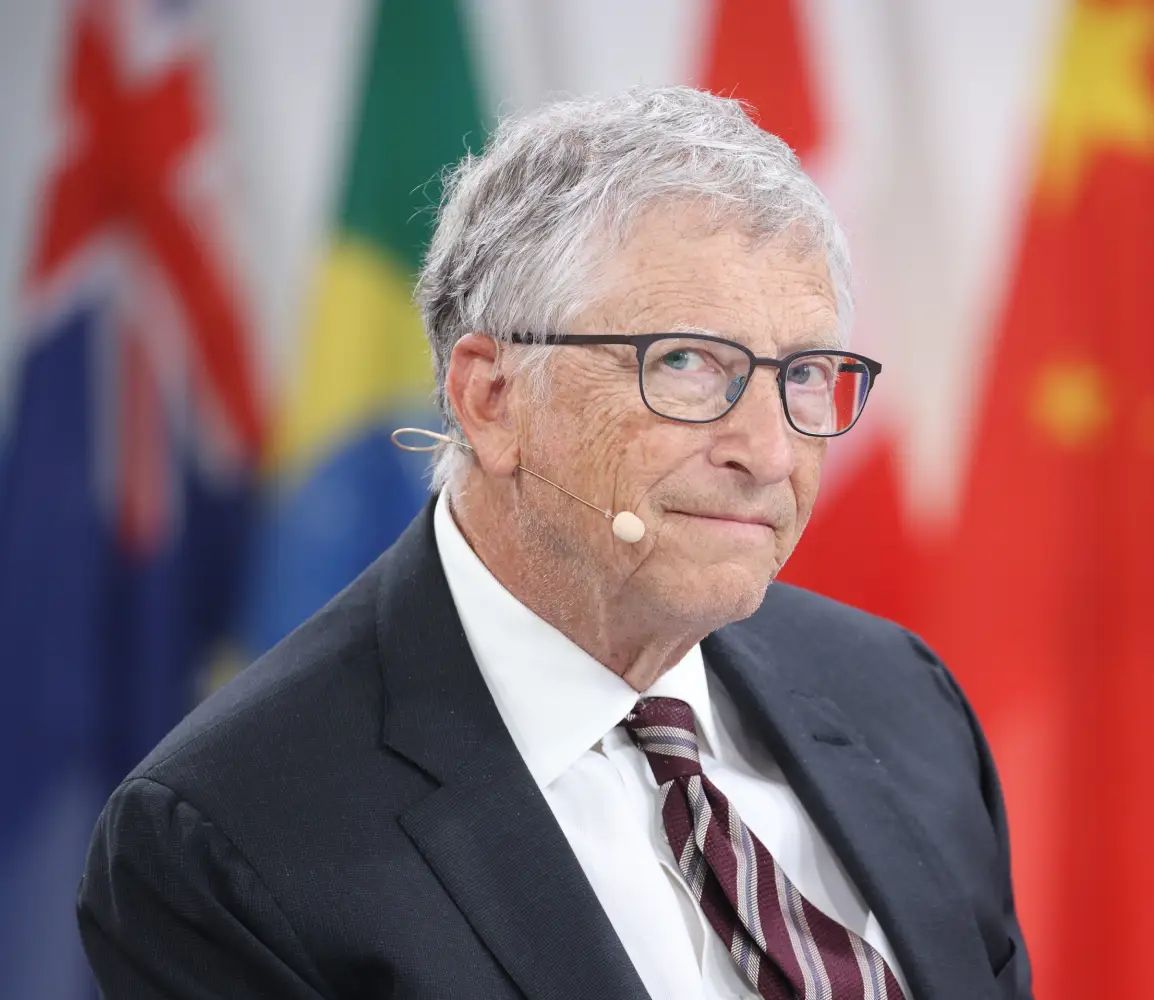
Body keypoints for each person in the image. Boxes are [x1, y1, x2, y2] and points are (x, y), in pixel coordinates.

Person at [77, 86, 1031, 1000]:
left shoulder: (903, 700)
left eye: (806, 373)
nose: (772, 452)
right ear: (490, 399)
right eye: (687, 363)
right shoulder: (225, 839)